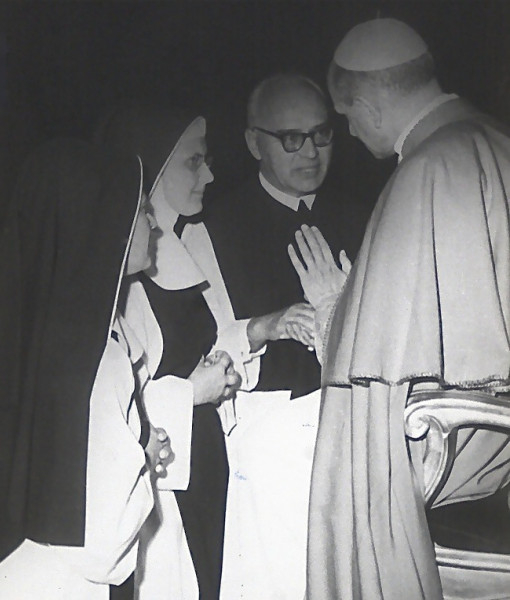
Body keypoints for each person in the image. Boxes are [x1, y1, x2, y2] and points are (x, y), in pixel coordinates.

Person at [288, 18, 510, 600]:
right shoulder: (495, 139)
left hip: (464, 473)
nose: (352, 131)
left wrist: (335, 313)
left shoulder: (425, 171)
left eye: (347, 117)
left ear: (367, 105)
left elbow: (385, 384)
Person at [0, 138, 176, 598]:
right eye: (143, 211)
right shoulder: (98, 358)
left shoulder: (35, 334)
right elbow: (102, 546)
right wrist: (145, 456)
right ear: (104, 225)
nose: (155, 226)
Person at [204, 73, 371, 599]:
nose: (312, 152)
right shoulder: (215, 225)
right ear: (255, 142)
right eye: (292, 139)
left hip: (354, 429)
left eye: (321, 134)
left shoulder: (365, 215)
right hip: (263, 439)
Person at [94, 104, 244, 600]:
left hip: (200, 454)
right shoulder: (120, 277)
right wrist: (191, 392)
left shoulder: (185, 243)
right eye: (193, 161)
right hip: (160, 474)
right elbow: (111, 411)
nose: (210, 175)